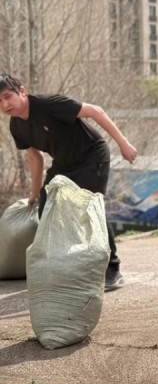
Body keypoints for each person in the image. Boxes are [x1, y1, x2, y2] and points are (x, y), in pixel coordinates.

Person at [0, 74, 137, 292]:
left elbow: (95, 111)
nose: (5, 104)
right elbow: (35, 158)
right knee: (47, 208)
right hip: (63, 164)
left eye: (7, 96)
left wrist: (123, 143)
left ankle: (112, 269)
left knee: (89, 208)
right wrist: (35, 192)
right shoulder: (17, 127)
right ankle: (62, 267)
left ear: (22, 92)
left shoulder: (49, 105)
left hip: (91, 156)